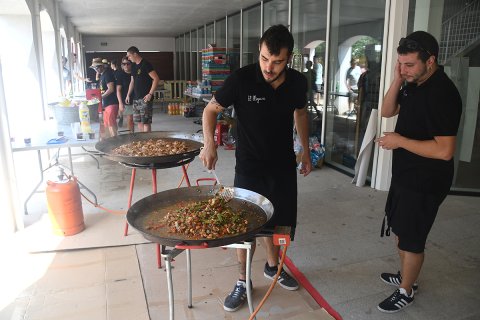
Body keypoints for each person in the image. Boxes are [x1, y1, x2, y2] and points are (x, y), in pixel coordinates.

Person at [199, 24, 312, 312]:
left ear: (289, 59)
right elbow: (211, 110)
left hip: (284, 167)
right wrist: (209, 144)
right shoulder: (241, 79)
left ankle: (273, 267)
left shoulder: (298, 83)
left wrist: (306, 150)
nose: (269, 67)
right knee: (245, 227)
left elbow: (300, 113)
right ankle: (241, 281)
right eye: (264, 58)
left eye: (277, 62)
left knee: (280, 223)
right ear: (259, 51)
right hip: (249, 168)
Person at [375, 31, 462, 313]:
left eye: (409, 64)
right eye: (401, 63)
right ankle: (406, 275)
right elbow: (387, 111)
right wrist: (399, 77)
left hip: (426, 179)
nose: (404, 69)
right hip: (406, 173)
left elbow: (444, 150)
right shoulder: (412, 81)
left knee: (412, 239)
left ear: (431, 61)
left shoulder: (443, 94)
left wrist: (399, 141)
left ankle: (406, 290)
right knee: (401, 229)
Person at [125, 46, 160, 132]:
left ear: (135, 54)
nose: (128, 58)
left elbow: (156, 79)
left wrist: (150, 94)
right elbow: (132, 81)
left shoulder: (146, 64)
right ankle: (143, 140)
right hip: (136, 98)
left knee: (146, 122)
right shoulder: (133, 66)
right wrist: (128, 94)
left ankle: (147, 142)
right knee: (139, 122)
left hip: (145, 98)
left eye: (129, 56)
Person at [90, 58, 119, 137]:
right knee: (107, 124)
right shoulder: (102, 75)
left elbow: (111, 89)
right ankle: (111, 140)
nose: (96, 69)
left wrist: (100, 97)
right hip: (106, 104)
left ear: (102, 66)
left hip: (111, 103)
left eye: (97, 67)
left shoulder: (107, 74)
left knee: (111, 124)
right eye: (94, 68)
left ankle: (115, 141)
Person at [116, 56, 134, 132]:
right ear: (122, 65)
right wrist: (120, 103)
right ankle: (131, 136)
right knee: (130, 119)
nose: (126, 65)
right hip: (126, 100)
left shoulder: (135, 72)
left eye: (128, 64)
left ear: (131, 64)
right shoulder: (120, 74)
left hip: (137, 98)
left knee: (140, 121)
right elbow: (118, 90)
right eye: (124, 64)